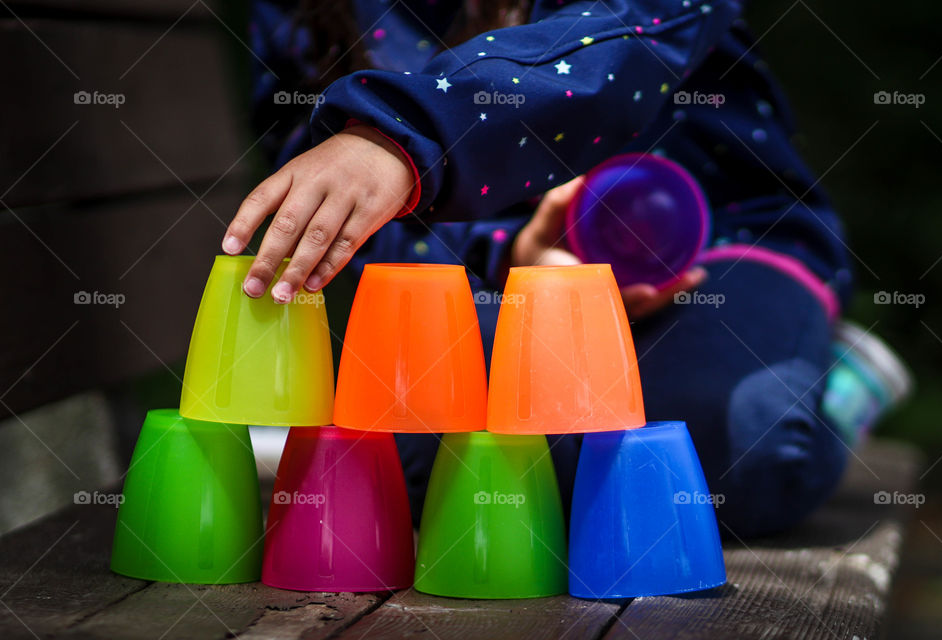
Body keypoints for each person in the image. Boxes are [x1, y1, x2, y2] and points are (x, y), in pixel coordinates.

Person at [231, 0, 855, 537]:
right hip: (498, 280)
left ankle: (829, 374)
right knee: (434, 464)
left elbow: (633, 31)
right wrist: (507, 248)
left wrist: (405, 135)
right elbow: (323, 168)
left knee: (754, 451)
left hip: (721, 240)